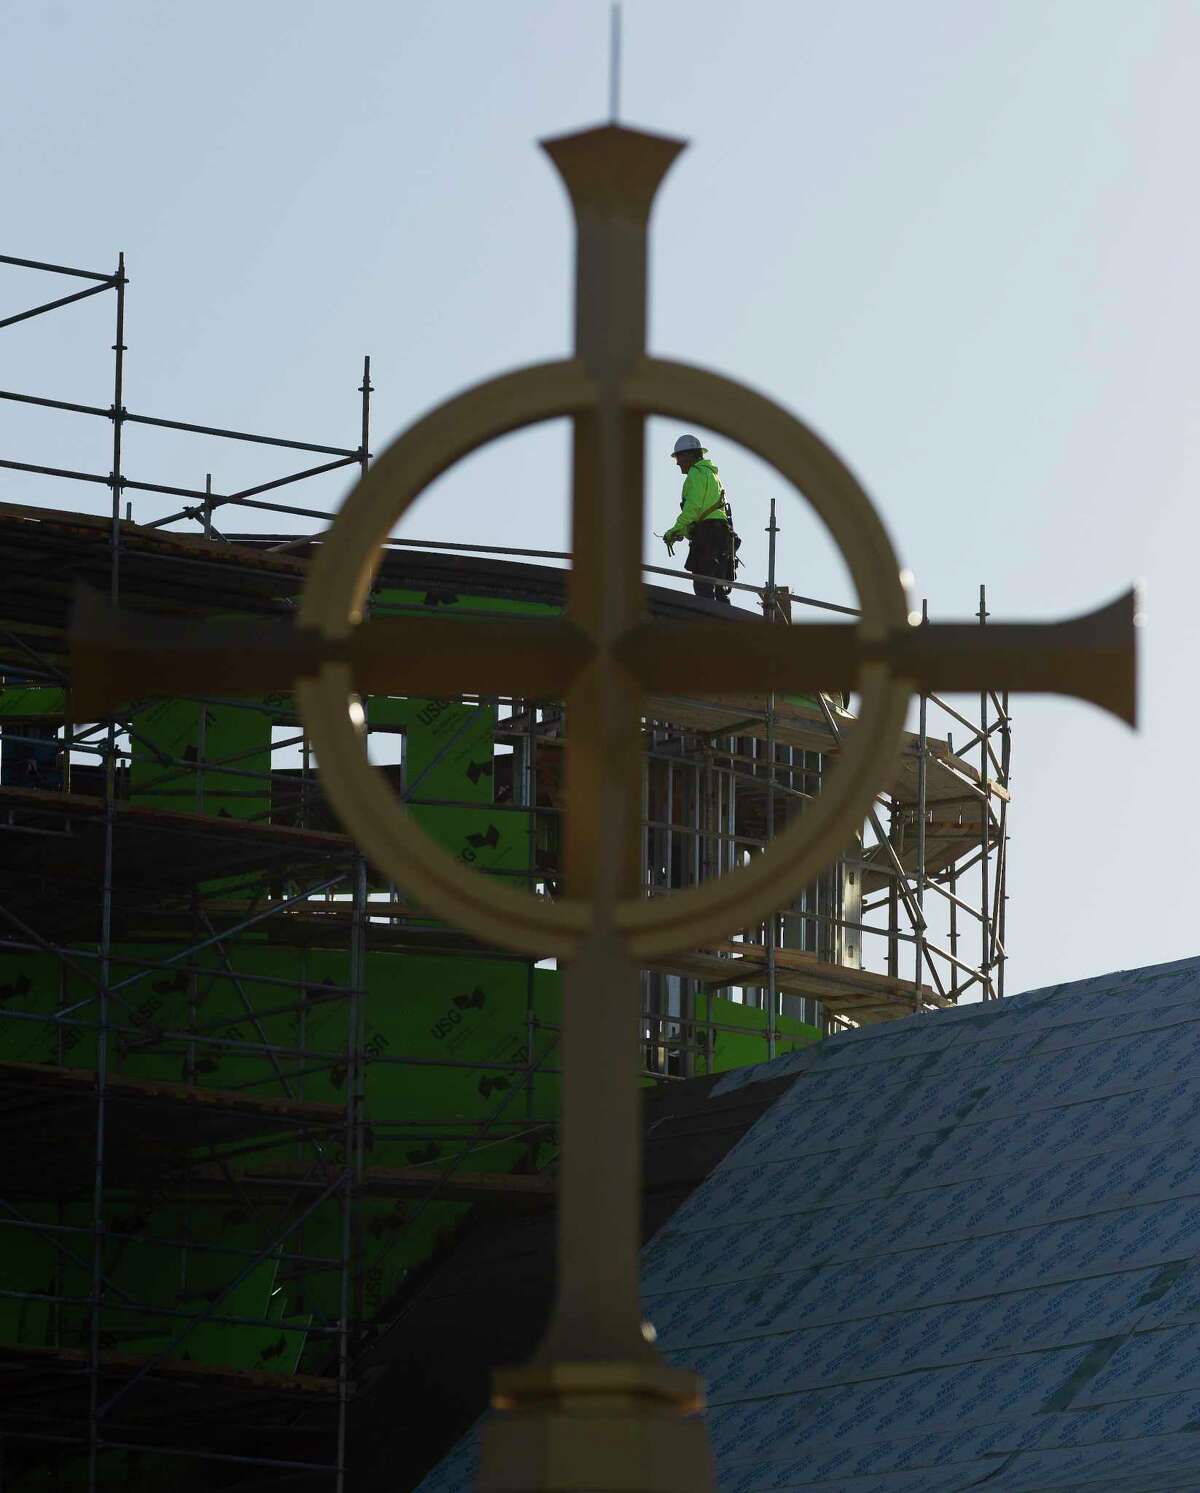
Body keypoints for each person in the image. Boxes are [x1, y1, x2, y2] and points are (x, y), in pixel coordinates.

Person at [662, 434, 735, 603]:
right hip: (722, 535)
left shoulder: (695, 474)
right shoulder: (712, 475)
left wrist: (676, 529)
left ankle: (709, 623)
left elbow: (693, 508)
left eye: (679, 456)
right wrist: (685, 531)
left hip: (707, 534)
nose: (677, 462)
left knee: (703, 587)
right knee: (719, 588)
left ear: (690, 455)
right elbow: (707, 510)